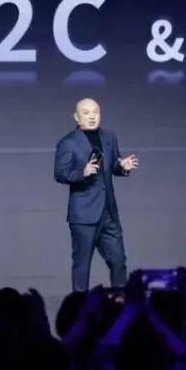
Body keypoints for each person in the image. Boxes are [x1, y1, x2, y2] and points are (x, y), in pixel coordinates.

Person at [54, 98, 139, 292]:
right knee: (82, 266)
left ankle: (120, 301)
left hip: (108, 212)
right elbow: (60, 173)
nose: (92, 116)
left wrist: (122, 167)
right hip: (84, 214)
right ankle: (79, 305)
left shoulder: (109, 137)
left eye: (96, 112)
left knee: (119, 261)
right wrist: (82, 173)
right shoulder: (68, 142)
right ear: (76, 117)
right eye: (86, 113)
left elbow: (113, 165)